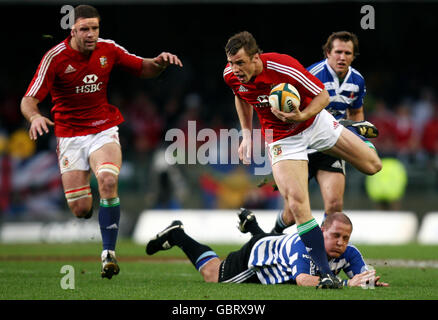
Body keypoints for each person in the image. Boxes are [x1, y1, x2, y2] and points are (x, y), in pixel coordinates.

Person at [20, 4, 183, 279]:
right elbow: (28, 99)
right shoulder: (55, 58)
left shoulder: (108, 49)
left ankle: (108, 253)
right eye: (84, 29)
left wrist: (159, 63)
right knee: (81, 209)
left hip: (103, 129)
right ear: (72, 30)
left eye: (95, 28)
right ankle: (95, 210)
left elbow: (143, 68)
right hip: (70, 137)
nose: (91, 34)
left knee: (108, 181)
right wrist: (34, 117)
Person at [222, 31, 381, 288]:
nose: (234, 69)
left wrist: (301, 115)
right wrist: (246, 134)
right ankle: (326, 272)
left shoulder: (284, 66)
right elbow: (241, 96)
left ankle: (344, 128)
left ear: (256, 58)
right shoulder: (231, 76)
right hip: (283, 140)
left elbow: (323, 97)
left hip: (315, 123)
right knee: (297, 205)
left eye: (240, 63)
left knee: (373, 166)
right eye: (230, 63)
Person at [272, 31, 380, 233]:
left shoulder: (357, 80)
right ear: (327, 53)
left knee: (334, 204)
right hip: (304, 146)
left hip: (331, 145)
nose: (342, 57)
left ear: (353, 56)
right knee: (291, 214)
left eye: (348, 53)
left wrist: (359, 140)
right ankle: (268, 236)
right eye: (338, 52)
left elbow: (356, 112)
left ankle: (324, 251)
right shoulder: (311, 75)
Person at [145, 210, 389, 288]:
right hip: (257, 256)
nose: (341, 242)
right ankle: (178, 234)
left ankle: (253, 226)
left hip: (275, 247)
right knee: (212, 275)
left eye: (346, 238)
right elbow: (303, 279)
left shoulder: (350, 251)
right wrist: (347, 284)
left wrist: (368, 281)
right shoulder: (303, 245)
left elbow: (363, 275)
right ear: (321, 231)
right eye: (335, 235)